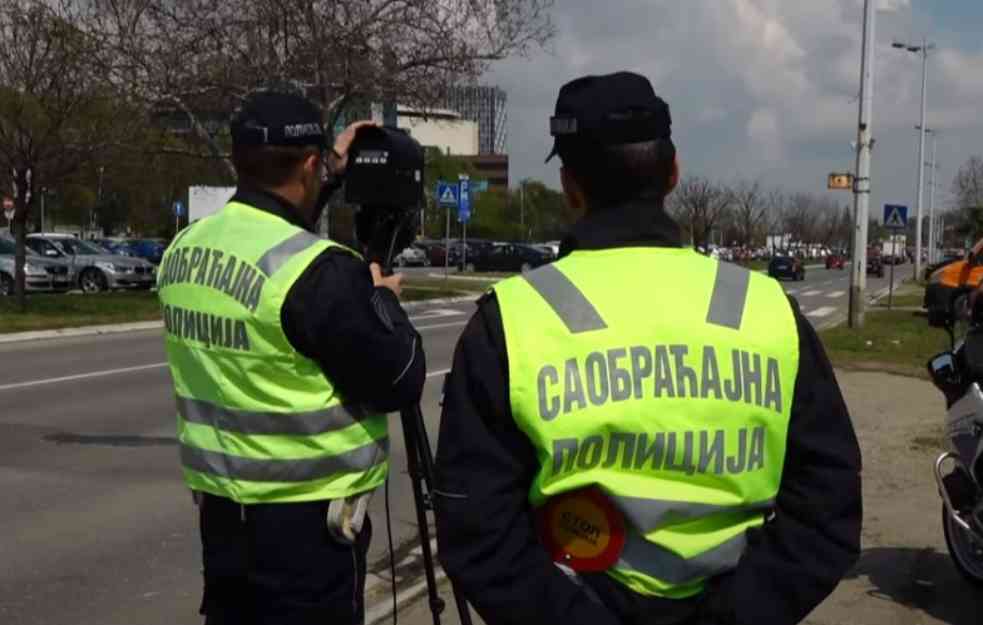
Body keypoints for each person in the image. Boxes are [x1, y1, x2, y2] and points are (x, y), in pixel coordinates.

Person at [434, 72, 862, 625]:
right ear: (674, 173)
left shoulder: (511, 318)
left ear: (569, 186)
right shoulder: (766, 308)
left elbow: (476, 528)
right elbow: (828, 507)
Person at [157, 89, 426, 625]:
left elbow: (270, 237)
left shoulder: (182, 250)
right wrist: (384, 299)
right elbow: (401, 378)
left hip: (223, 521)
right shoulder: (321, 272)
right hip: (307, 533)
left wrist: (324, 178)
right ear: (309, 163)